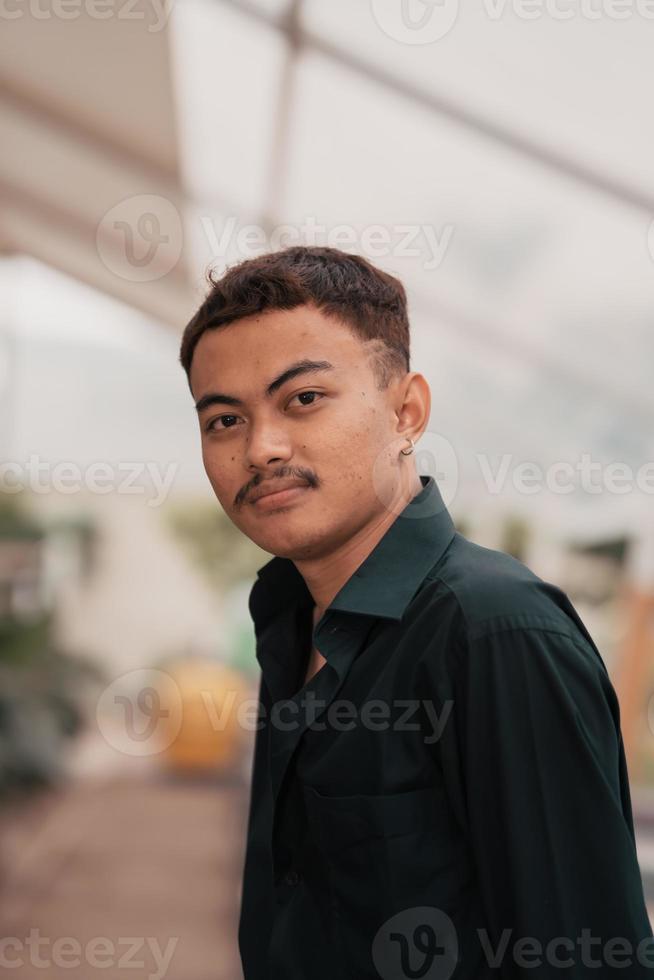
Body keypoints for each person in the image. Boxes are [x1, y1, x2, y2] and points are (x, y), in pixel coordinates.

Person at [179, 245, 653, 979]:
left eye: (303, 399)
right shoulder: (288, 620)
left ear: (407, 412)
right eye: (224, 420)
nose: (261, 448)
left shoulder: (493, 630)